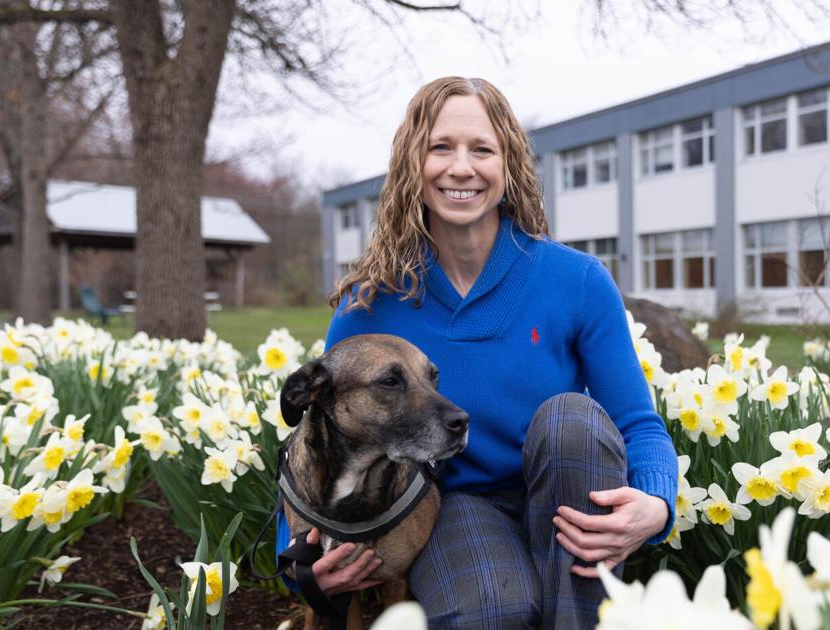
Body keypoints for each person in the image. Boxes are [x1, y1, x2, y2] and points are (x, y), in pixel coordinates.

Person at [275, 76, 677, 629]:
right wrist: (297, 561)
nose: (461, 167)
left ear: (508, 165)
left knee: (572, 417)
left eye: (482, 149)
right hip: (454, 508)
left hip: (565, 485)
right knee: (492, 608)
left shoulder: (577, 281)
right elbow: (316, 440)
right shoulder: (371, 304)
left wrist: (656, 503)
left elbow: (639, 424)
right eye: (441, 147)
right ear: (413, 166)